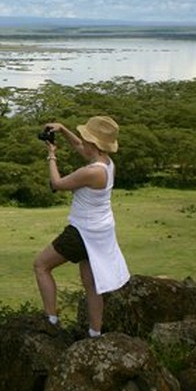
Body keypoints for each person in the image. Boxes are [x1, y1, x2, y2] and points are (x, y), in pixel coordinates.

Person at [33, 115, 130, 338]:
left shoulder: (91, 172)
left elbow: (57, 184)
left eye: (86, 138)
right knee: (91, 283)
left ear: (93, 144)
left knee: (41, 266)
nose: (82, 141)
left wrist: (51, 156)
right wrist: (63, 130)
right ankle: (95, 332)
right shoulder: (106, 164)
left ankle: (51, 320)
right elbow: (80, 147)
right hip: (100, 232)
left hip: (81, 232)